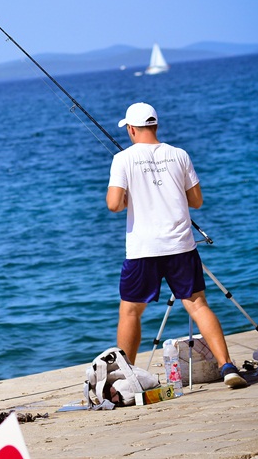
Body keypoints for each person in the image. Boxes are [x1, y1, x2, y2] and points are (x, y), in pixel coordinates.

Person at [105, 102, 247, 389]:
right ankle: (227, 366)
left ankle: (128, 379)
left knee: (131, 311)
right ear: (155, 125)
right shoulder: (179, 155)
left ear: (131, 129)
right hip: (181, 244)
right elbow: (196, 201)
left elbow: (113, 205)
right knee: (197, 305)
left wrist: (132, 197)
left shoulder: (123, 159)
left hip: (144, 249)